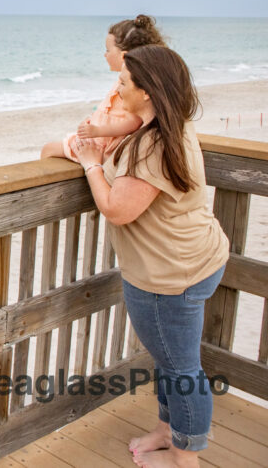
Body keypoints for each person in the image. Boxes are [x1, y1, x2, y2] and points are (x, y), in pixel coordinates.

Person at [73, 45, 228, 468]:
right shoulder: (169, 122)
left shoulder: (152, 146)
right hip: (197, 259)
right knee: (169, 360)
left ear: (147, 91)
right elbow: (129, 133)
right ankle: (167, 431)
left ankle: (184, 457)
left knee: (182, 370)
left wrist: (90, 163)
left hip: (169, 277)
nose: (117, 86)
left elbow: (118, 210)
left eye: (124, 81)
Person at [42, 15, 166, 161]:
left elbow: (132, 122)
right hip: (97, 139)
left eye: (107, 50)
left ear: (124, 56)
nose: (104, 54)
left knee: (48, 149)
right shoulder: (126, 82)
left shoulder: (130, 87)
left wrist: (97, 131)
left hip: (101, 146)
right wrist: (90, 122)